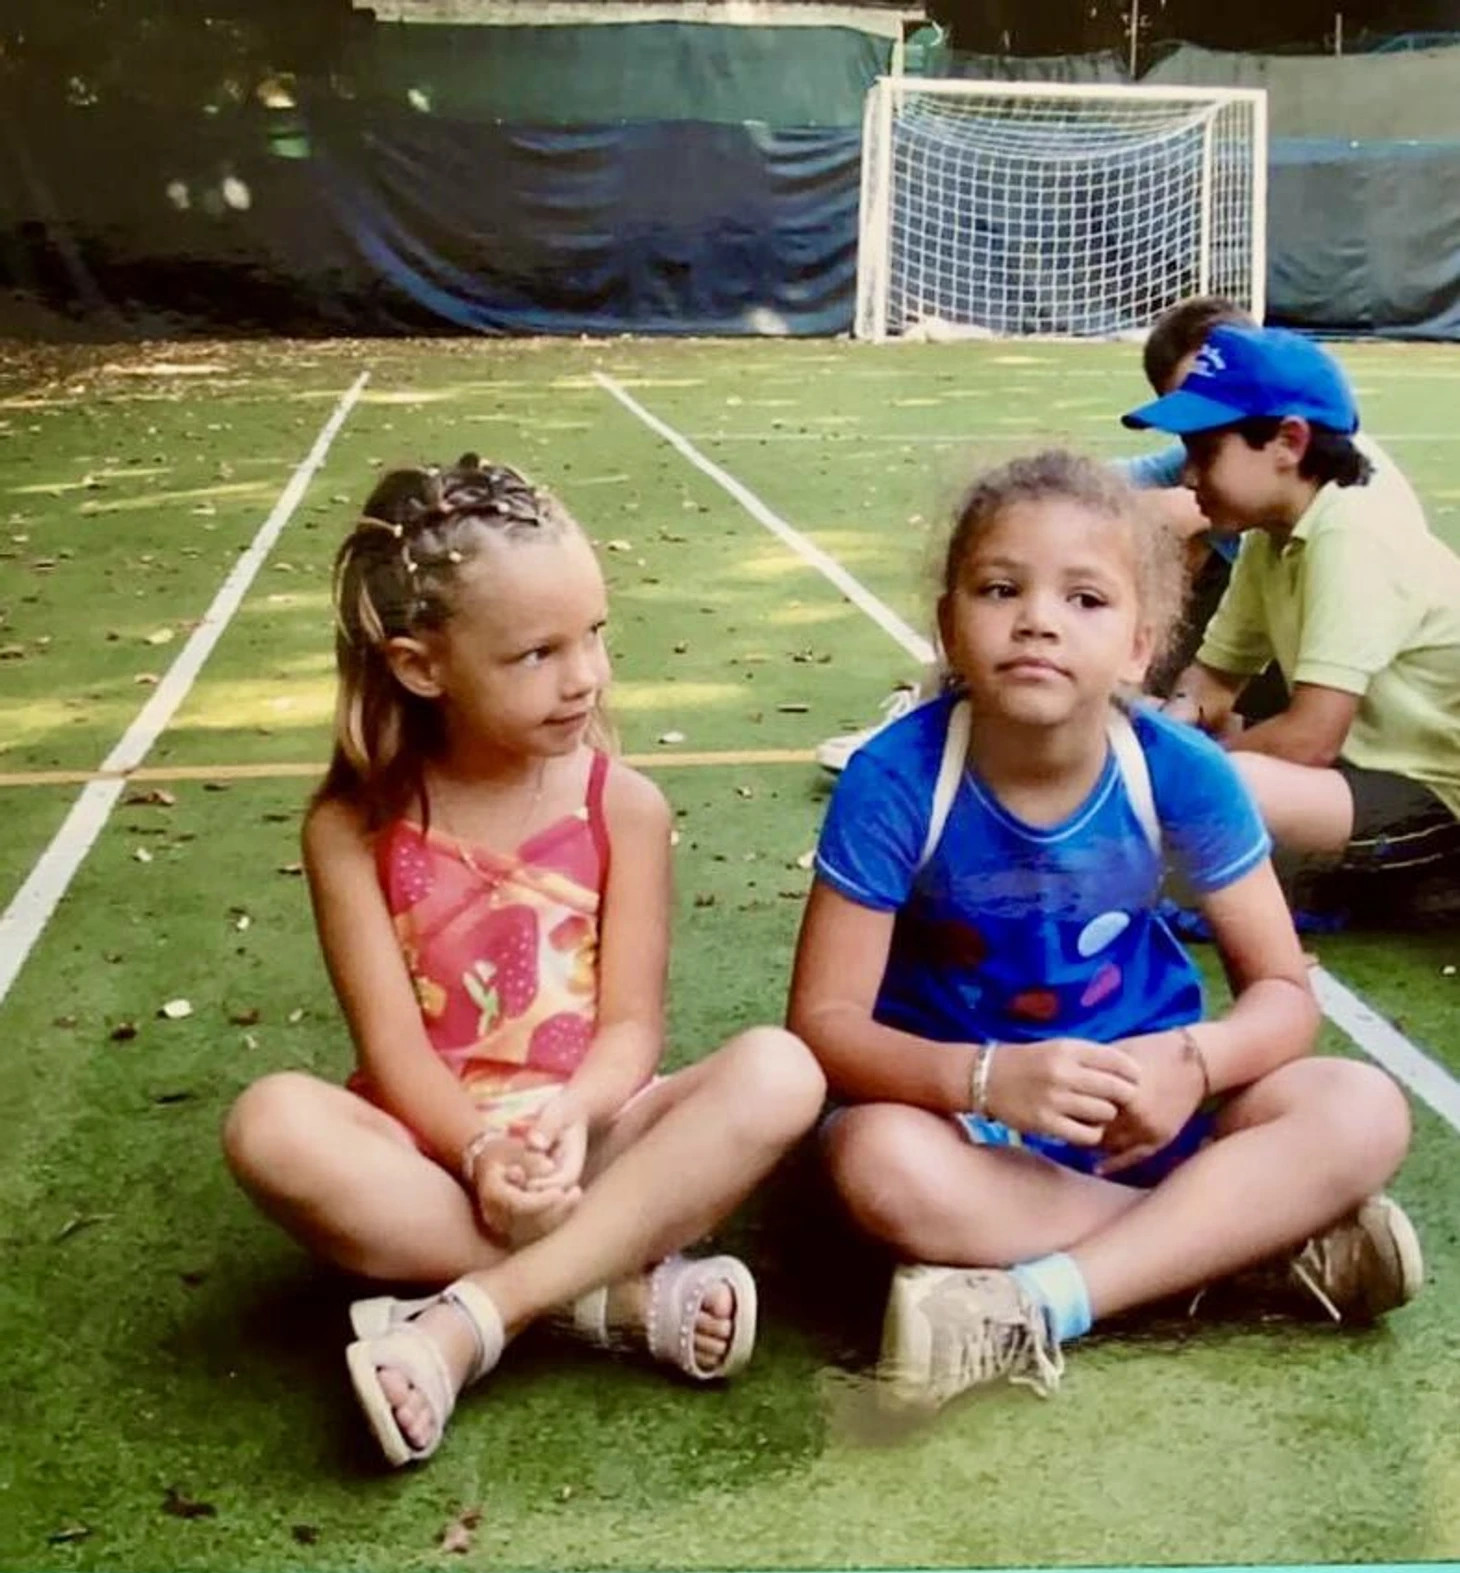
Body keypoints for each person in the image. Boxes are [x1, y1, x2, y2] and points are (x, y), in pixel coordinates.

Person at [786, 449, 1419, 1414]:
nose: (1038, 619)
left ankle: (1043, 1297)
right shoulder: (895, 781)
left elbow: (1283, 996)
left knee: (1361, 1106)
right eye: (1001, 589)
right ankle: (1250, 1249)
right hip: (967, 1127)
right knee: (875, 1162)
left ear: (1139, 646)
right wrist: (989, 1078)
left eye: (1085, 599)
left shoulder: (1181, 770)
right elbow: (825, 1024)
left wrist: (1192, 1065)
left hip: (1146, 1110)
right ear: (950, 626)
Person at [222, 455, 825, 1467]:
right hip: (435, 1156)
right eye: (537, 652)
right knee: (269, 1124)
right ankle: (614, 1295)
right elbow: (394, 1050)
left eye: (594, 634)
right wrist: (478, 1153)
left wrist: (574, 1115)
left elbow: (630, 1027)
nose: (584, 675)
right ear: (422, 667)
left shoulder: (623, 806)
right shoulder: (352, 829)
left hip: (594, 1141)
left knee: (783, 1070)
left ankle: (467, 1317)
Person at [813, 295, 1250, 774]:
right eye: (1186, 416)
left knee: (1163, 529)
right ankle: (947, 716)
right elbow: (1079, 495)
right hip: (1224, 669)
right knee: (1062, 529)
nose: (1199, 436)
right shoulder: (1187, 467)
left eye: (1214, 405)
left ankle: (1140, 743)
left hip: (1280, 689)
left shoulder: (1302, 500)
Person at [1126, 324, 1460, 919]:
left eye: (1205, 452)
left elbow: (1310, 738)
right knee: (1154, 729)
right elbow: (1212, 682)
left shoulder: (1353, 531)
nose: (1190, 476)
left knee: (1231, 783)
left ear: (1289, 441)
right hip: (1358, 772)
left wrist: (1177, 768)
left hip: (1432, 797)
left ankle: (1424, 881)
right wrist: (1166, 732)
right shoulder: (1269, 535)